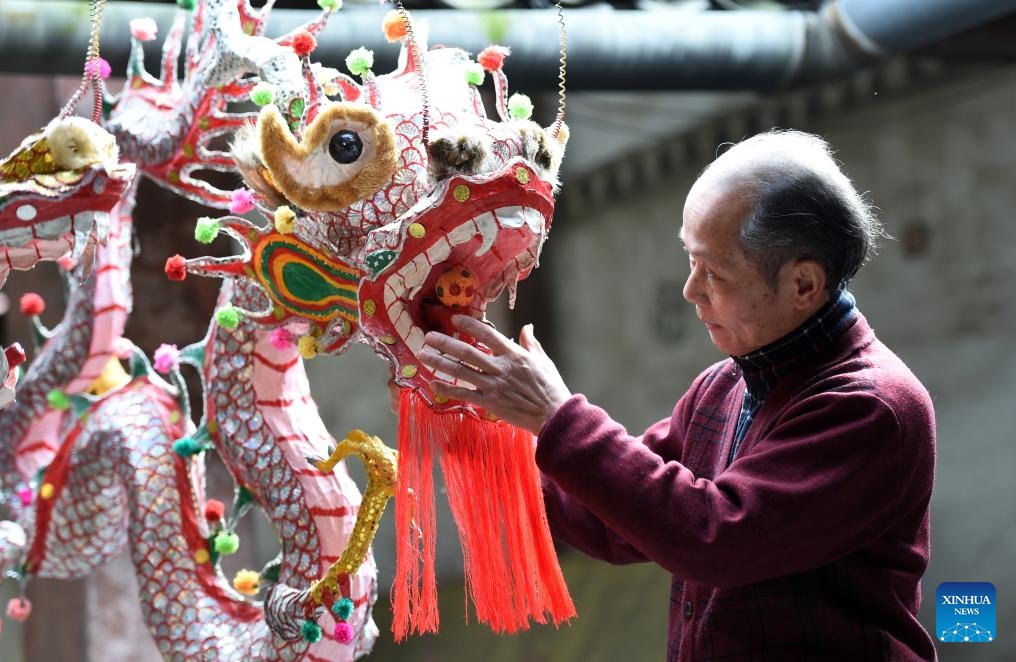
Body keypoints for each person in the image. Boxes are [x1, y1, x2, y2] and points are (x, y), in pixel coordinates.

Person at [417, 130, 937, 661]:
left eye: (714, 272)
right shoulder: (723, 386)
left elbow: (711, 536)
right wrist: (467, 424)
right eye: (690, 260)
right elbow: (614, 515)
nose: (690, 290)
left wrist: (557, 416)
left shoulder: (872, 405)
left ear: (803, 284)